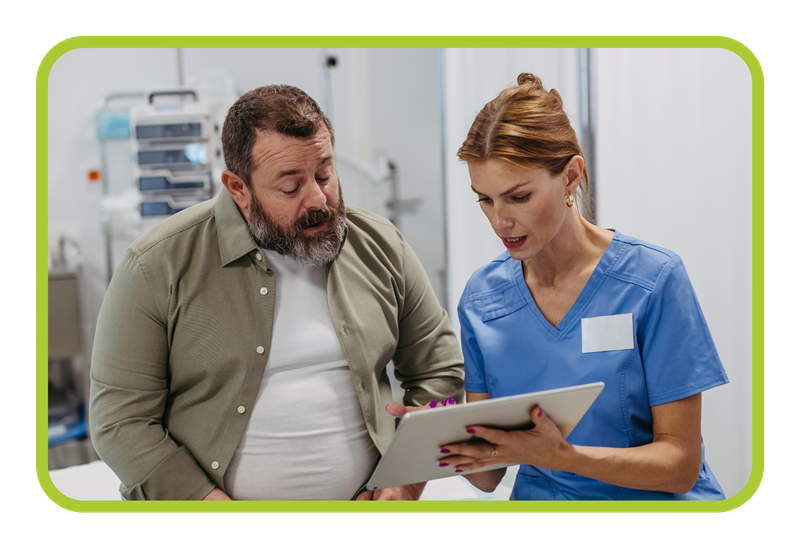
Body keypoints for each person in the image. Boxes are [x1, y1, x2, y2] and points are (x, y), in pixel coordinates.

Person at [89, 84, 464, 501]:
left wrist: (405, 481)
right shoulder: (157, 265)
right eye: (290, 187)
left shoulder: (381, 245)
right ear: (238, 189)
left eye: (325, 173)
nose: (319, 198)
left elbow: (439, 371)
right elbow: (119, 422)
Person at [436, 73, 729, 500]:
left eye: (518, 197)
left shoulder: (653, 280)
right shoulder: (482, 300)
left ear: (571, 176)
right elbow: (487, 475)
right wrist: (437, 439)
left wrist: (564, 456)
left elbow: (680, 466)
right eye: (485, 199)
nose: (500, 221)